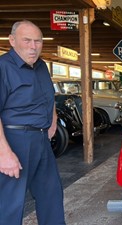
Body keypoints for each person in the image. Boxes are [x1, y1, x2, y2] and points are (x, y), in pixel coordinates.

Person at [0, 20, 66, 225]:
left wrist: (53, 119)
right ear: (12, 41)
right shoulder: (3, 67)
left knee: (51, 195)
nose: (33, 46)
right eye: (27, 40)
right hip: (14, 140)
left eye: (38, 41)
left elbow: (49, 94)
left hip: (41, 139)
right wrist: (4, 154)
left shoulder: (41, 66)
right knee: (11, 202)